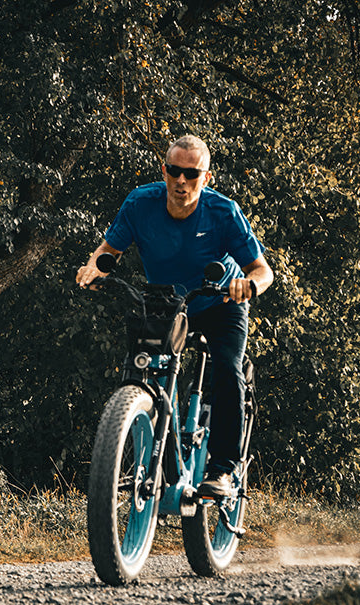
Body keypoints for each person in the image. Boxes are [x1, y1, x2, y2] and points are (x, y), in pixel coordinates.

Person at [76, 135, 274, 498]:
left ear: (206, 177)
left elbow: (263, 271)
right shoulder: (140, 203)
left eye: (191, 174)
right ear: (164, 171)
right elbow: (108, 251)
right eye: (174, 171)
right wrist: (94, 268)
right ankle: (149, 445)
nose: (181, 180)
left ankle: (223, 469)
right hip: (168, 303)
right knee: (143, 364)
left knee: (226, 368)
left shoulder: (223, 212)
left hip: (220, 302)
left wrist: (248, 286)